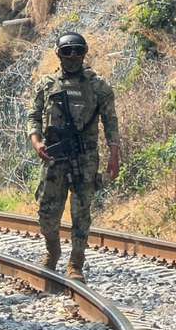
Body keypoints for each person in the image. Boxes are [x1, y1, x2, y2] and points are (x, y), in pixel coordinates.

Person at [26, 32, 120, 281]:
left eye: (78, 50)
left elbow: (111, 121)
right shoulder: (46, 84)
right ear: (58, 53)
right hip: (55, 157)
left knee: (81, 213)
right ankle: (52, 251)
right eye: (67, 51)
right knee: (47, 213)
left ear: (85, 52)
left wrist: (114, 153)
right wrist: (36, 142)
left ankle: (75, 263)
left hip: (85, 157)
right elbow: (33, 116)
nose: (73, 56)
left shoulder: (98, 86)